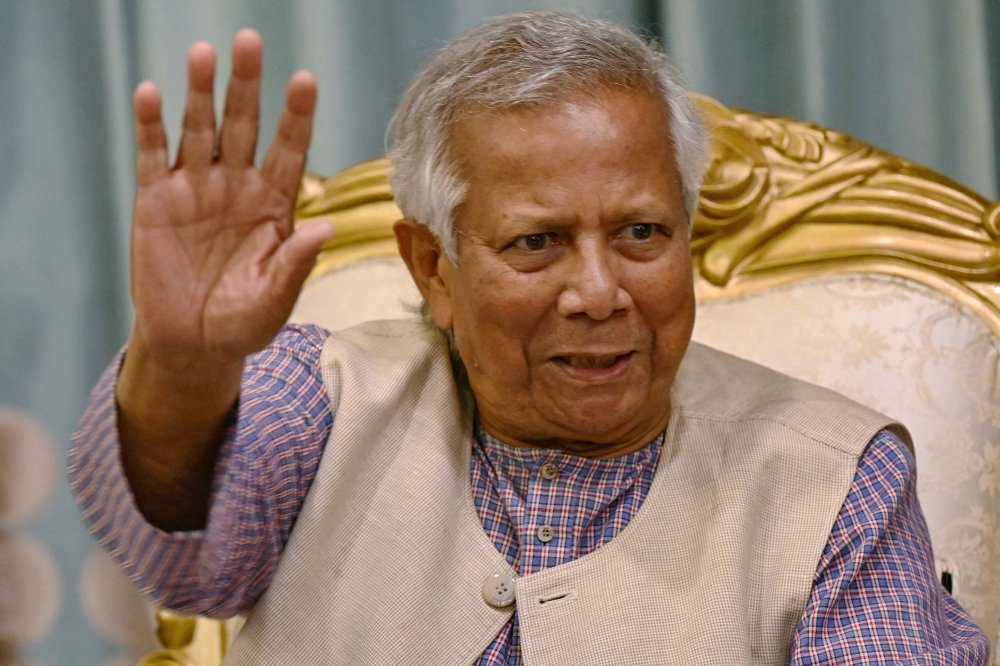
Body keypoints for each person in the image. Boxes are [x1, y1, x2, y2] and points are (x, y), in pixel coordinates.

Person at [69, 11, 989, 666]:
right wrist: (181, 363)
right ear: (433, 269)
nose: (599, 293)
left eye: (641, 233)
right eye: (537, 242)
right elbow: (180, 556)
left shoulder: (837, 481)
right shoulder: (323, 398)